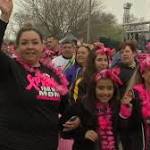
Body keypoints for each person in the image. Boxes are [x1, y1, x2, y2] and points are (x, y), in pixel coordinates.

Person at [0, 1, 69, 150]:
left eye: (34, 42)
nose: (30, 46)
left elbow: (65, 108)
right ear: (16, 47)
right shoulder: (9, 67)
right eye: (24, 43)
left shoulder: (54, 73)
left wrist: (74, 119)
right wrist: (4, 18)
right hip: (12, 144)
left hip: (47, 144)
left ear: (42, 46)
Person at [60, 68, 125, 150]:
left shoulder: (117, 106)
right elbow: (62, 128)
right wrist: (83, 133)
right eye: (101, 88)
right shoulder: (81, 106)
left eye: (109, 88)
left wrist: (126, 113)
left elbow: (126, 130)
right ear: (93, 89)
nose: (105, 92)